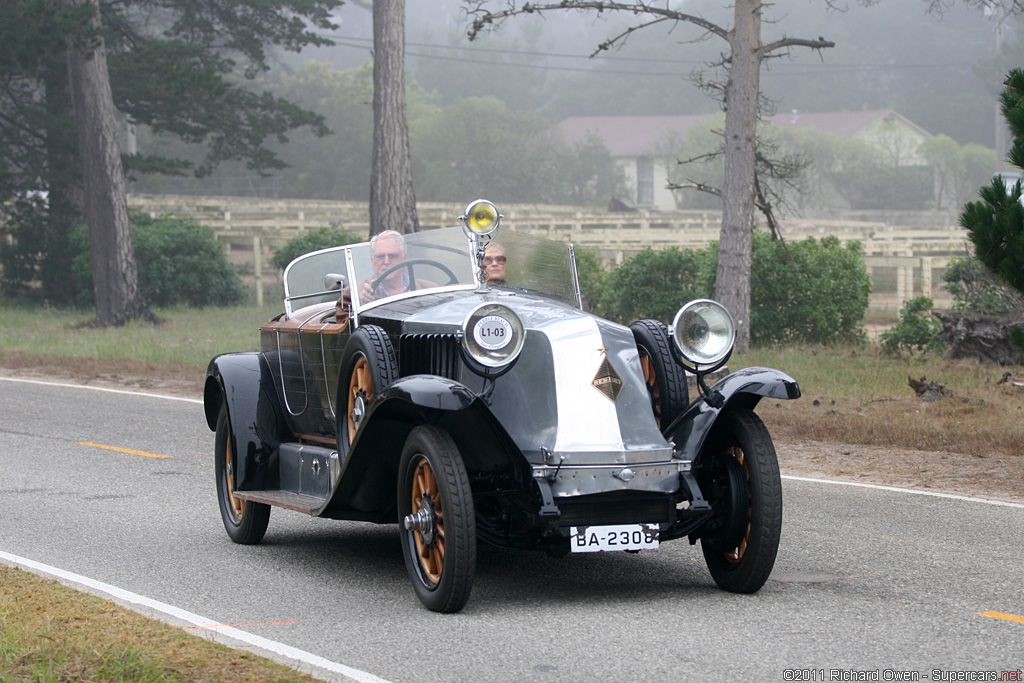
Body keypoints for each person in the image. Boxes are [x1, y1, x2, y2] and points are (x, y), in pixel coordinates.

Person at [357, 230, 434, 302]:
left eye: (393, 256)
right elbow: (345, 315)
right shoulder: (356, 292)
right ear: (372, 260)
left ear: (404, 258)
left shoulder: (428, 288)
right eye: (380, 257)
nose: (386, 262)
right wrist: (362, 303)